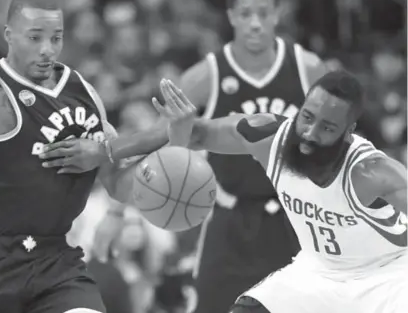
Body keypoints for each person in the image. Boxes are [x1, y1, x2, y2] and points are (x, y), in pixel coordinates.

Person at [0, 0, 166, 313]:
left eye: (56, 38)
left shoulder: (84, 92)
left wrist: (117, 213)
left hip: (56, 262)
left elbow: (115, 177)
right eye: (34, 38)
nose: (46, 49)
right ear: (9, 36)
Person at [151, 72, 407, 313]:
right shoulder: (268, 138)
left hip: (385, 276)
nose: (310, 132)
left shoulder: (371, 173)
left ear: (348, 132)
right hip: (318, 271)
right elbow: (197, 135)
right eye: (307, 117)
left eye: (327, 128)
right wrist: (178, 129)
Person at [164, 0, 327, 312]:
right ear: (231, 16)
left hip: (292, 218)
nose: (255, 23)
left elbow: (337, 143)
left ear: (277, 14)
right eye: (246, 13)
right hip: (229, 219)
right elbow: (167, 142)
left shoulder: (308, 69)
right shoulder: (204, 75)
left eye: (264, 13)